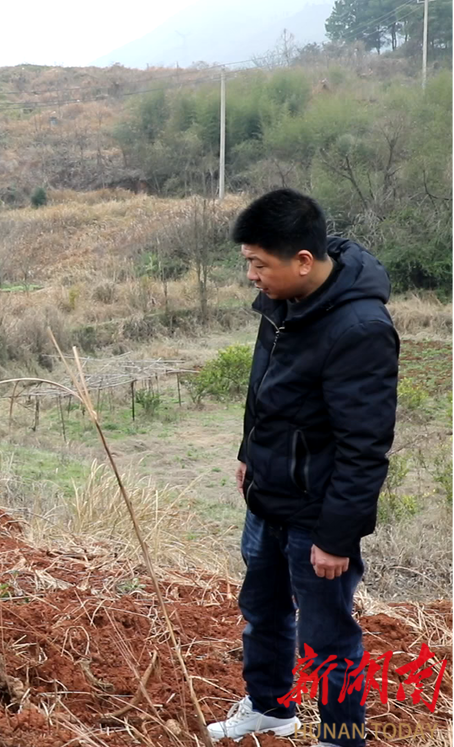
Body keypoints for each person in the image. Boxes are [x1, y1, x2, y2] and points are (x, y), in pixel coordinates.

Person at [207, 189, 398, 747]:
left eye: (259, 264)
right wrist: (249, 452)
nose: (251, 276)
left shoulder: (359, 328)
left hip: (316, 513)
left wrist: (336, 538)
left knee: (327, 637)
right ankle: (269, 707)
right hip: (269, 496)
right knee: (261, 611)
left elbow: (365, 446)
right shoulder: (284, 301)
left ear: (303, 261)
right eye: (248, 262)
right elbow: (263, 385)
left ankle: (341, 737)